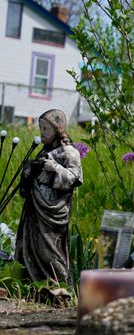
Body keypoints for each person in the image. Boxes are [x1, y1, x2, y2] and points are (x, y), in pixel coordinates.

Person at [16, 109, 82, 285]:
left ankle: (58, 285)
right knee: (31, 245)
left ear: (58, 129)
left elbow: (75, 178)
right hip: (34, 206)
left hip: (52, 211)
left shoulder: (69, 152)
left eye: (46, 129)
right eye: (41, 128)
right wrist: (29, 171)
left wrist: (55, 168)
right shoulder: (43, 151)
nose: (42, 132)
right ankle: (32, 283)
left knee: (50, 249)